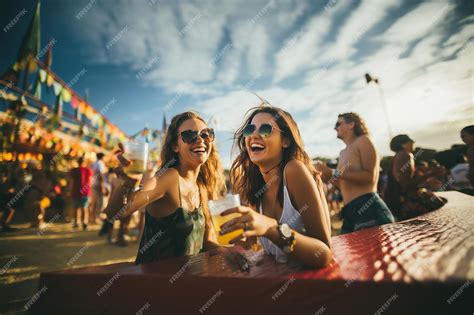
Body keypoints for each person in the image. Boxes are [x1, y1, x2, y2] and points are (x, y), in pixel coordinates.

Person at [102, 112, 226, 264]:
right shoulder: (168, 177)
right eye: (189, 135)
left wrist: (228, 252)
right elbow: (114, 214)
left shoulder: (203, 187)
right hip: (155, 284)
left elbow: (206, 242)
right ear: (175, 146)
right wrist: (128, 182)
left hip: (187, 283)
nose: (200, 140)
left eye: (206, 134)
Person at [224, 105, 332, 268]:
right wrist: (238, 249)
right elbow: (264, 249)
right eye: (250, 129)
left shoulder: (293, 170)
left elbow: (323, 253)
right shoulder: (255, 186)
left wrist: (272, 228)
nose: (254, 134)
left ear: (286, 141)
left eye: (266, 129)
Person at [315, 112, 394, 234]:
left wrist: (332, 171)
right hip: (349, 210)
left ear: (351, 124)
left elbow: (369, 177)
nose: (335, 128)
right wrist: (325, 175)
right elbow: (343, 185)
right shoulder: (342, 152)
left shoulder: (363, 141)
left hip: (368, 206)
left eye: (338, 124)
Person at [384, 135, 447, 220]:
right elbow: (406, 184)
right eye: (411, 141)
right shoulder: (405, 155)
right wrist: (431, 174)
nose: (413, 143)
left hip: (397, 199)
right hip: (406, 200)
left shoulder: (399, 156)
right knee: (439, 205)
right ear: (403, 144)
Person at [67, 157, 92, 230]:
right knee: (84, 208)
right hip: (85, 192)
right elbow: (90, 182)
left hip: (75, 191)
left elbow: (71, 181)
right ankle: (84, 222)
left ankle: (75, 222)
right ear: (84, 162)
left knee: (76, 208)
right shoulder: (88, 170)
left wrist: (69, 190)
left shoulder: (74, 170)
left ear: (77, 162)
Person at [89, 152, 107, 225]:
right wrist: (103, 187)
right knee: (99, 202)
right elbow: (101, 175)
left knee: (94, 202)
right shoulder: (100, 164)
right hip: (98, 185)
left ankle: (92, 218)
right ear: (102, 157)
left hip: (93, 184)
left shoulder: (94, 164)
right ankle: (96, 218)